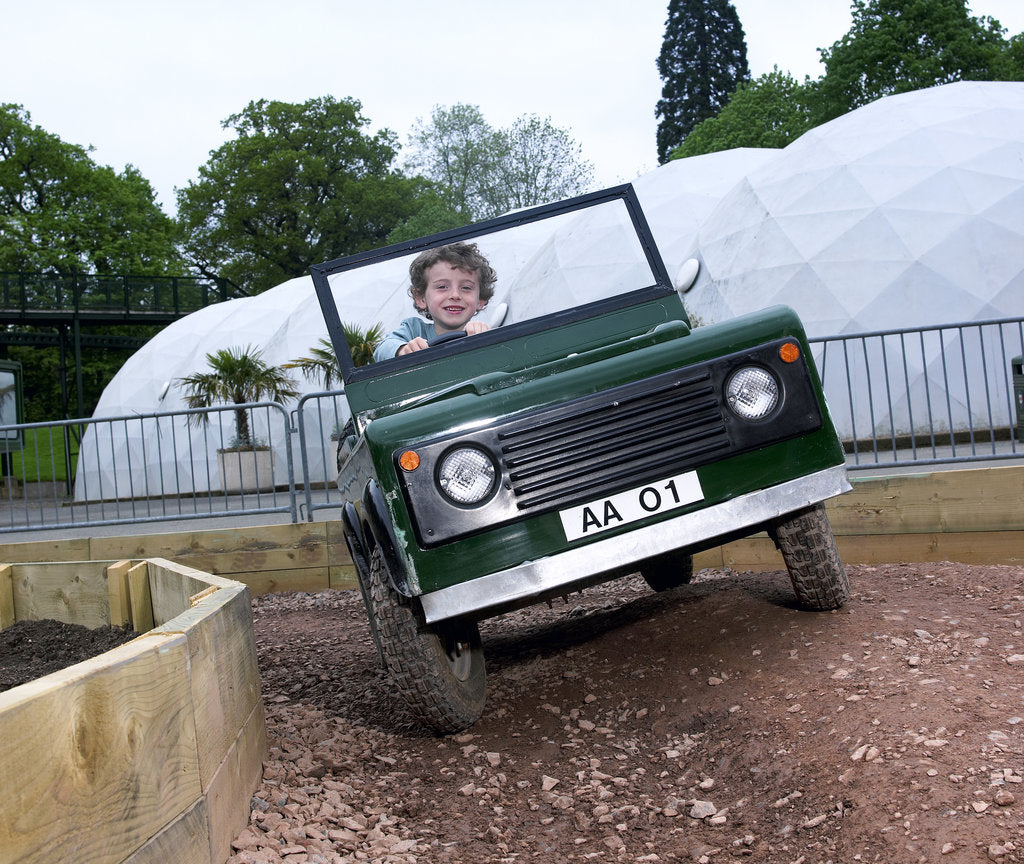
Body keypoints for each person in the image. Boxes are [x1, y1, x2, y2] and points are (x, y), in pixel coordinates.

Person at [373, 242, 497, 362]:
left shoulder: (481, 332)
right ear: (421, 298)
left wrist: (484, 338)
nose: (455, 295)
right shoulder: (413, 330)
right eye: (442, 287)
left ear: (480, 300)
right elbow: (381, 350)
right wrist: (403, 350)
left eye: (466, 288)